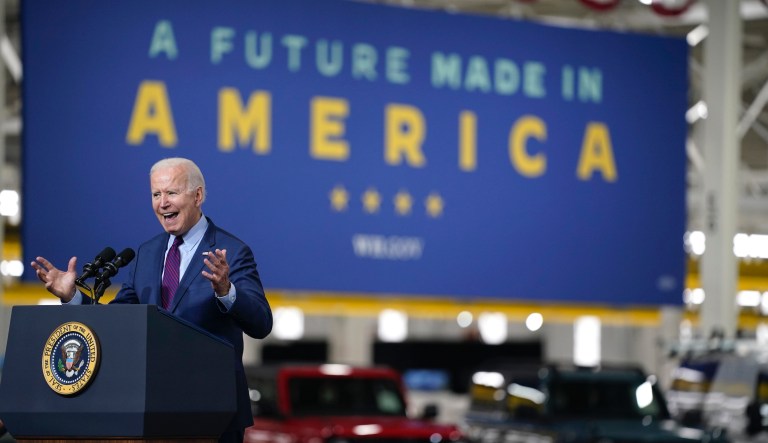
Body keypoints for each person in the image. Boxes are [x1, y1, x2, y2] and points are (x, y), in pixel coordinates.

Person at [30, 157, 273, 443]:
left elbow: (261, 323)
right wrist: (73, 297)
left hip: (213, 413)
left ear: (198, 195)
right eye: (156, 194)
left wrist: (226, 290)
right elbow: (117, 323)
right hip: (151, 409)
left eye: (171, 193)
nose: (163, 203)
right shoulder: (147, 253)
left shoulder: (231, 251)